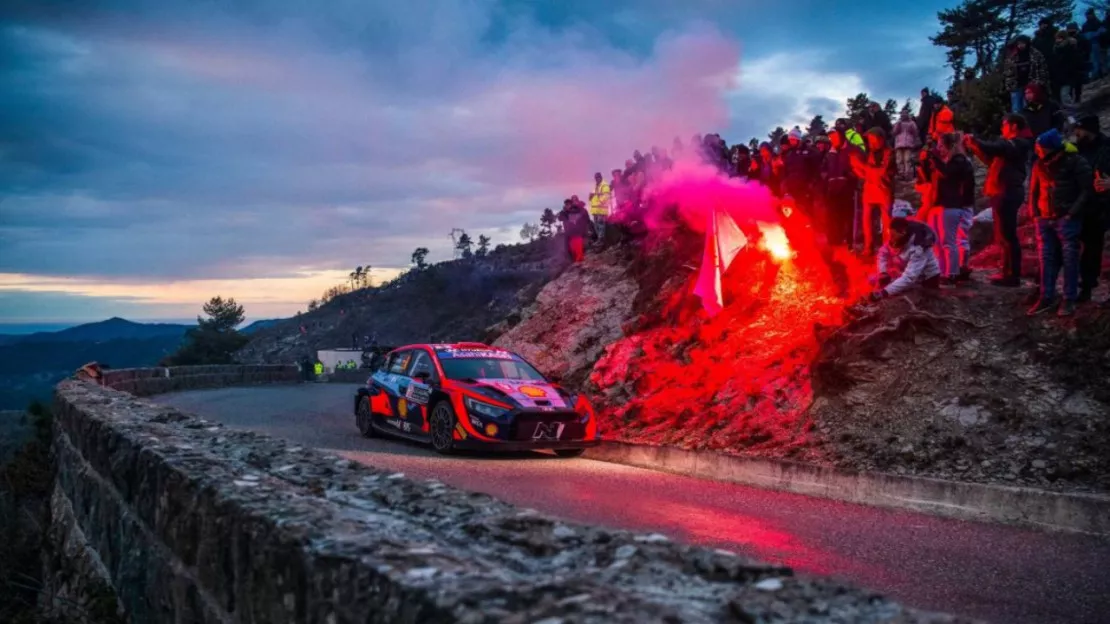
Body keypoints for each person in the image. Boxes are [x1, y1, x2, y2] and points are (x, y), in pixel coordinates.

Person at [1027, 129, 1092, 316]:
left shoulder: (1075, 162)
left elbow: (1087, 190)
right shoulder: (1039, 164)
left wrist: (1072, 213)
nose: (1037, 150)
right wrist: (1035, 213)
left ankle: (1068, 298)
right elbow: (1034, 191)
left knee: (1070, 259)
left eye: (1040, 148)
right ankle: (1046, 296)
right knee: (1046, 259)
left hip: (1066, 218)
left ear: (1050, 148)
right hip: (1044, 218)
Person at [964, 114, 1034, 287]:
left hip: (1008, 192)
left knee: (1008, 235)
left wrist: (976, 141)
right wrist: (975, 146)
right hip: (1001, 191)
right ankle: (1006, 271)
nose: (1002, 128)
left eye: (1004, 124)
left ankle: (1012, 275)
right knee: (1002, 235)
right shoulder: (1010, 146)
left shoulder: (1019, 143)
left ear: (1014, 126)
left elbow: (996, 148)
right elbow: (990, 158)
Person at [923, 133, 976, 284]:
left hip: (951, 205)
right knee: (937, 242)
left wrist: (934, 158)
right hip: (939, 204)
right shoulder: (947, 162)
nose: (939, 149)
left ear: (950, 146)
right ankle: (940, 272)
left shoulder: (959, 161)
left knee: (949, 241)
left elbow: (948, 174)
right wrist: (927, 162)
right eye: (938, 146)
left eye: (941, 146)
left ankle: (952, 273)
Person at [1073, 114, 1110, 303]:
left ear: (1089, 130)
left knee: (1094, 247)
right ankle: (1083, 286)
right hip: (1081, 204)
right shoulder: (1077, 150)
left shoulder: (1107, 148)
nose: (1075, 134)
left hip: (1103, 206)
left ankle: (1088, 286)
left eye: (1078, 130)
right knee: (1082, 247)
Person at [872, 214, 942, 299]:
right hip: (907, 274)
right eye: (890, 235)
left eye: (893, 236)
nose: (891, 239)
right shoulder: (897, 237)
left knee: (915, 297)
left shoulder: (918, 248)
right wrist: (883, 272)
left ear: (903, 232)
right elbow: (882, 253)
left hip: (926, 279)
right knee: (872, 279)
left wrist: (885, 292)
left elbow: (909, 277)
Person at [851, 127, 895, 255]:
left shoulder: (890, 153)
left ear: (881, 139)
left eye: (872, 139)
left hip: (883, 190)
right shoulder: (869, 153)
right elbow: (865, 173)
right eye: (869, 140)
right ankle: (868, 246)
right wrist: (857, 168)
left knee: (886, 220)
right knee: (866, 218)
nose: (870, 142)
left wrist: (862, 167)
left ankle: (887, 248)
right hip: (870, 189)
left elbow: (884, 172)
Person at [821, 129, 859, 246]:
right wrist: (826, 176)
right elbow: (824, 168)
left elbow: (858, 168)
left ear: (841, 136)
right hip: (832, 189)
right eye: (831, 138)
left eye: (835, 137)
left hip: (847, 189)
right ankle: (834, 243)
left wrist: (850, 176)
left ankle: (849, 243)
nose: (833, 140)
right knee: (832, 217)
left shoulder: (851, 150)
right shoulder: (830, 153)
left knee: (847, 217)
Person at [1003, 35, 1050, 113]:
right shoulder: (1012, 56)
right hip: (1016, 86)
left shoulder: (1035, 54)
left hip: (1031, 85)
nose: (1020, 45)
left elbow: (1042, 69)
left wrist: (1039, 82)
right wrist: (1009, 84)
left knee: (1028, 108)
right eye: (1019, 44)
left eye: (1022, 43)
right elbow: (1007, 72)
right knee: (1016, 108)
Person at [1051, 29, 1085, 106]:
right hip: (1063, 74)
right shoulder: (1056, 49)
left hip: (1072, 71)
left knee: (1072, 91)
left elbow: (1076, 59)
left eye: (1059, 38)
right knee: (1067, 93)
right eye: (1056, 38)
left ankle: (1074, 106)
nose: (1057, 40)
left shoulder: (1070, 47)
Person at [557, 198, 594, 263]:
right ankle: (573, 261)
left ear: (571, 204)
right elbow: (560, 218)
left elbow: (583, 218)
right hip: (569, 233)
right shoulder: (564, 212)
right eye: (566, 204)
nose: (567, 205)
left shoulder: (577, 210)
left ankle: (579, 261)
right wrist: (564, 211)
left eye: (569, 204)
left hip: (577, 232)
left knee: (578, 247)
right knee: (569, 249)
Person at [893, 111, 920, 179]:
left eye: (905, 115)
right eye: (902, 115)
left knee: (907, 160)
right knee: (899, 160)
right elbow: (895, 132)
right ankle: (901, 174)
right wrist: (898, 124)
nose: (903, 116)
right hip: (899, 143)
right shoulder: (898, 123)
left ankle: (907, 174)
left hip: (908, 143)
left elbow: (915, 132)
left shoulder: (912, 123)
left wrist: (914, 141)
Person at [1082, 8, 1106, 79]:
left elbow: (1102, 32)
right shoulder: (1085, 25)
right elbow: (1083, 35)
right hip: (1089, 45)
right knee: (1093, 60)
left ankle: (1099, 73)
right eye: (1087, 15)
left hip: (1097, 43)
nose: (1088, 16)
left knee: (1098, 59)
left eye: (1089, 15)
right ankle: (1096, 74)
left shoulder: (1097, 22)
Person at [588, 172, 611, 242]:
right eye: (596, 178)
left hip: (601, 210)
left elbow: (606, 196)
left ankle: (601, 239)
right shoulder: (597, 186)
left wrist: (599, 202)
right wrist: (590, 197)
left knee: (600, 225)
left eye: (598, 177)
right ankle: (599, 239)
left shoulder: (605, 185)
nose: (597, 179)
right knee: (596, 226)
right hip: (596, 210)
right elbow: (594, 197)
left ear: (601, 177)